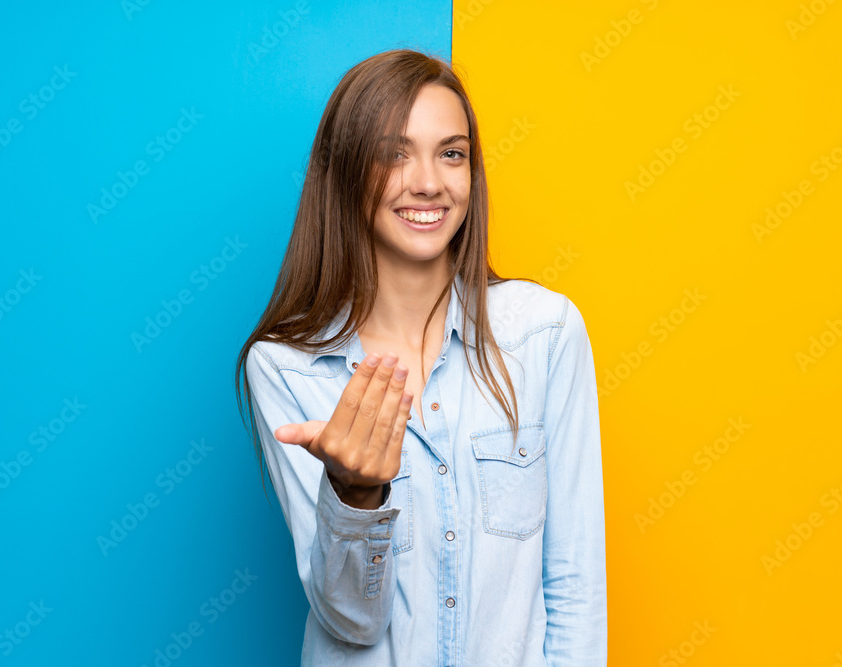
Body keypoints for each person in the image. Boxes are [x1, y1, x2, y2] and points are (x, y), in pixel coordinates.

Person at [236, 48, 607, 666]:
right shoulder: (286, 367)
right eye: (394, 153)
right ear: (346, 171)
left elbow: (574, 588)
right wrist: (356, 498)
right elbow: (349, 620)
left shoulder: (545, 333)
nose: (429, 181)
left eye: (451, 152)